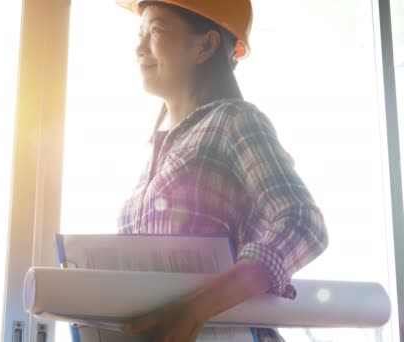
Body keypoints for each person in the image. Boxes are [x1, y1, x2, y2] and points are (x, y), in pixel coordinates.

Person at [78, 0, 329, 341]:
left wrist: (198, 307)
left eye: (155, 30)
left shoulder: (236, 123)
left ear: (206, 45)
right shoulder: (156, 149)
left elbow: (304, 224)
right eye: (140, 33)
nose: (139, 47)